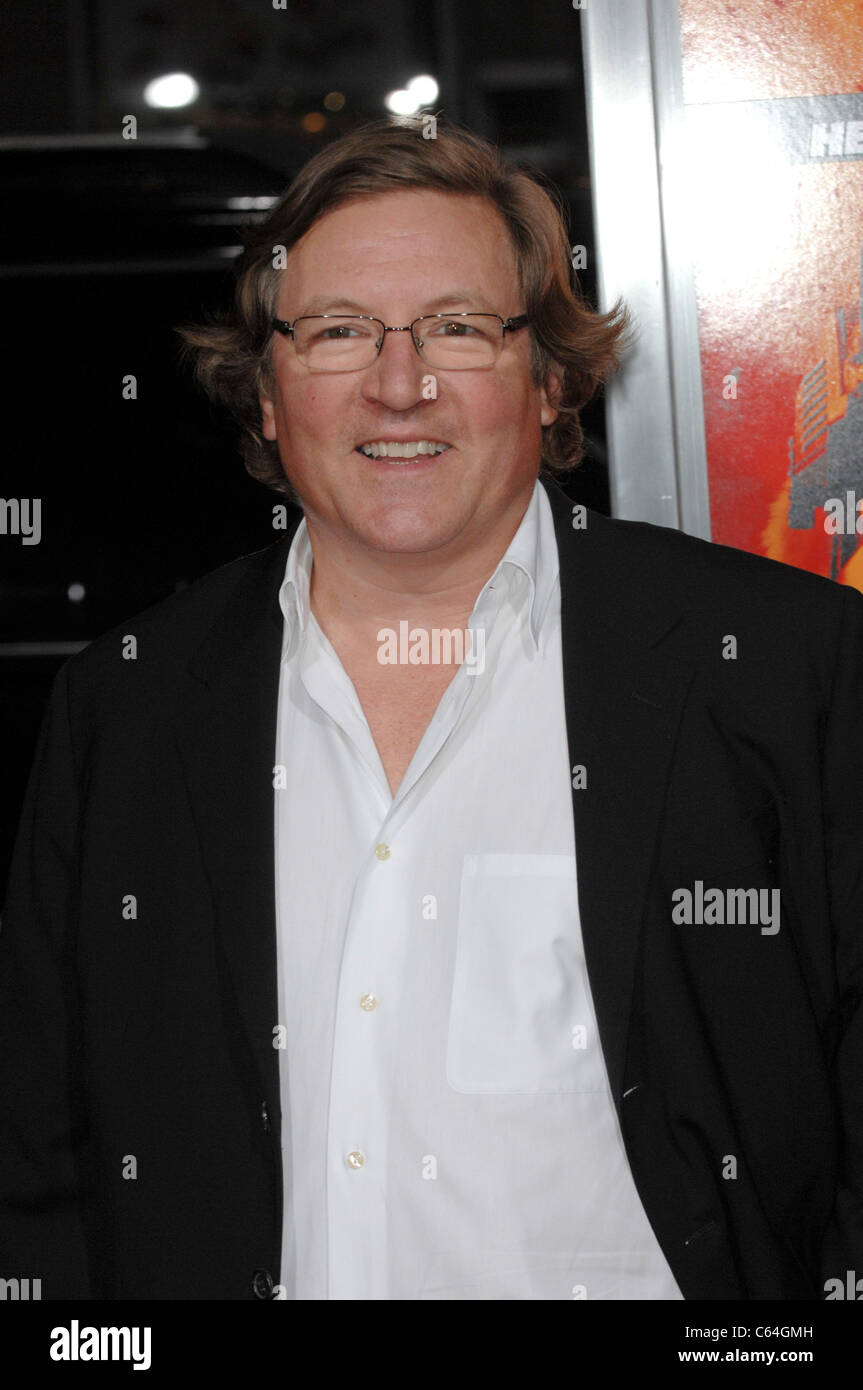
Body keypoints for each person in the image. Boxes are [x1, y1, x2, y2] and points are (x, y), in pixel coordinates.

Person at [1, 116, 861, 1302]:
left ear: (550, 377)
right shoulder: (124, 706)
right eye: (339, 331)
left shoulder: (779, 666)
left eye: (456, 328)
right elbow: (41, 1160)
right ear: (264, 395)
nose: (398, 385)